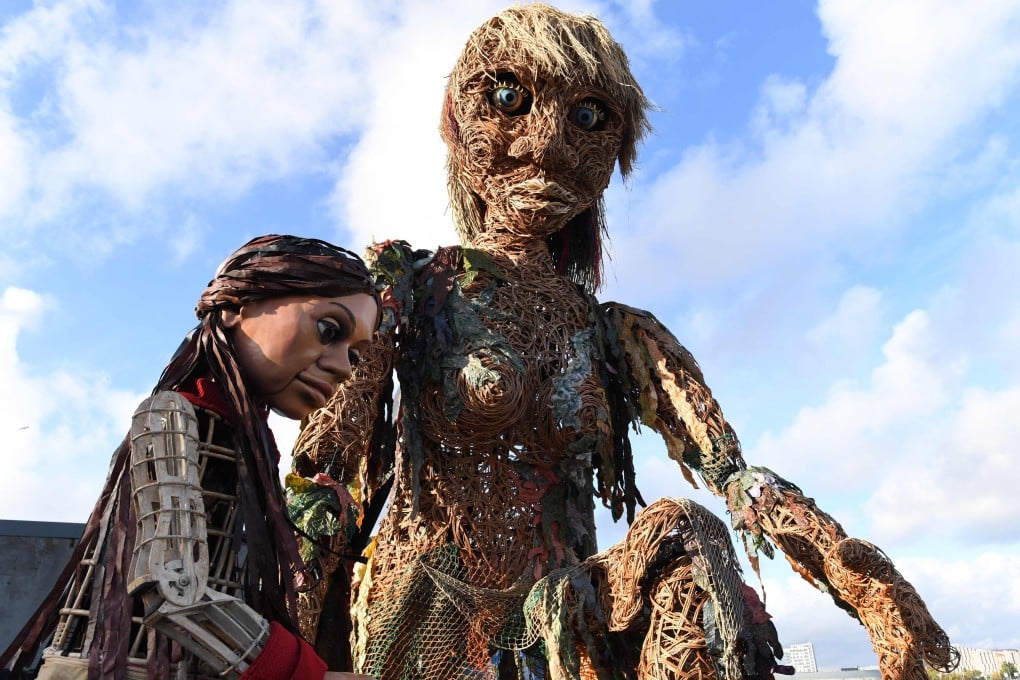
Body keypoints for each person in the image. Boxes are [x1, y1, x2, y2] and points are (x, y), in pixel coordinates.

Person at [293, 5, 958, 680]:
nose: (548, 142)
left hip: (567, 614)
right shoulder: (411, 287)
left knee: (690, 545)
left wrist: (863, 584)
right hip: (432, 617)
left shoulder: (614, 333)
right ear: (461, 120)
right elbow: (325, 471)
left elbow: (737, 479)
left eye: (588, 116)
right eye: (509, 98)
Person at [1, 235, 379, 680]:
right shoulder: (172, 416)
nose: (343, 367)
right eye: (329, 330)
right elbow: (174, 589)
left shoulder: (246, 446)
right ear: (236, 307)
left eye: (354, 353)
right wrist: (300, 673)